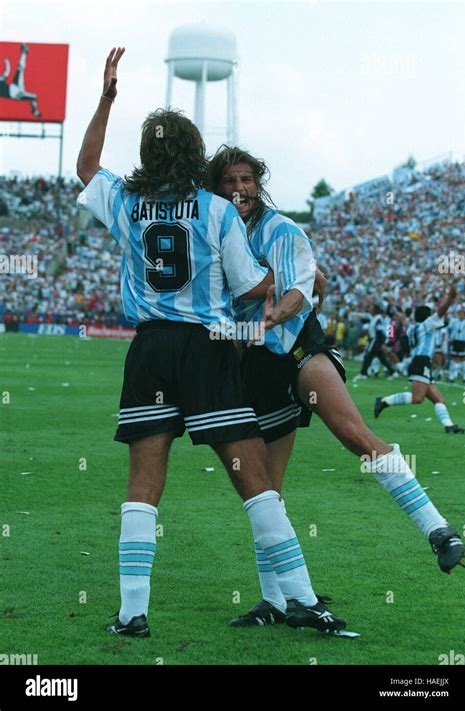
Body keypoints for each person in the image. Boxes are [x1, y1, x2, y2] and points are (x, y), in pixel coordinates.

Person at [76, 49, 345, 637]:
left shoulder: (124, 200)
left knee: (144, 485)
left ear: (147, 154)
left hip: (149, 351)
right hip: (209, 346)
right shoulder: (218, 208)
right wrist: (294, 276)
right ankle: (300, 598)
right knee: (251, 475)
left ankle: (131, 614)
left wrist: (106, 99)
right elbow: (251, 284)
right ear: (196, 155)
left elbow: (86, 166)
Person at [208, 146, 465, 626]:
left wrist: (276, 311)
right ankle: (276, 602)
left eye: (245, 179)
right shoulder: (212, 230)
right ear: (216, 187)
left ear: (258, 183)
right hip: (254, 364)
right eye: (228, 181)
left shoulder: (282, 228)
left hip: (298, 345)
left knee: (353, 434)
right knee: (266, 490)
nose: (238, 189)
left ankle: (439, 530)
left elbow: (300, 291)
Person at [374, 287, 465, 434]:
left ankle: (449, 426)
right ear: (427, 317)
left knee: (439, 399)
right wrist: (450, 298)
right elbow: (441, 312)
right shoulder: (427, 325)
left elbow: (443, 319)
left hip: (420, 361)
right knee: (418, 398)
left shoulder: (413, 328)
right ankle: (384, 401)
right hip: (421, 362)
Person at [0, 43, 41, 117]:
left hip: (14, 86)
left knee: (20, 69)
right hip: (16, 93)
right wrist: (7, 63)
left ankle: (24, 52)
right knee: (34, 97)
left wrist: (7, 64)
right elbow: (6, 73)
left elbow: (6, 74)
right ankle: (35, 112)